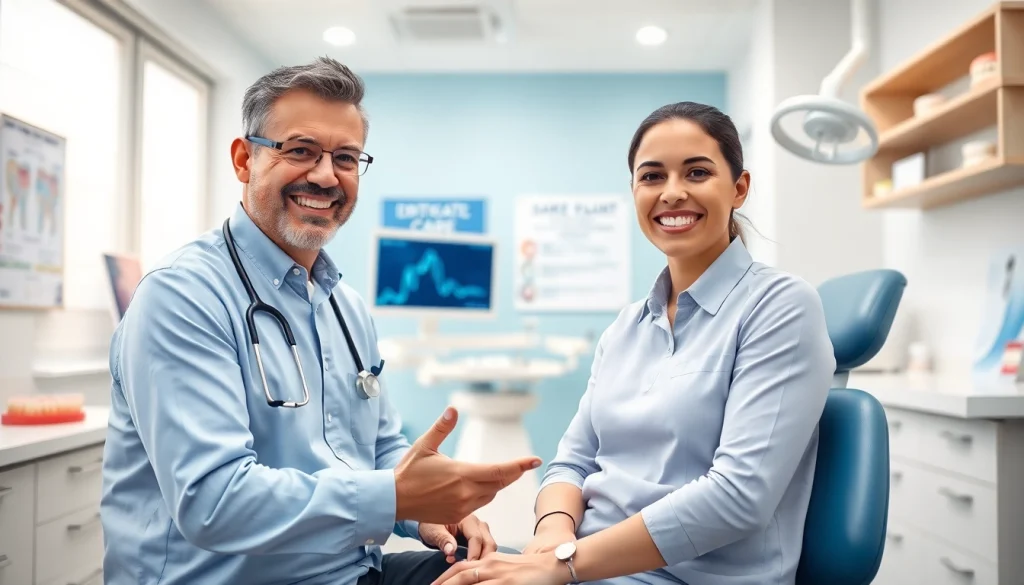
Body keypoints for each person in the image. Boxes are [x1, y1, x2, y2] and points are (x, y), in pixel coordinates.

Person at [100, 57, 540, 585]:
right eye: (301, 151)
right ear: (244, 159)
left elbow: (378, 448)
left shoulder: (343, 305)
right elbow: (213, 502)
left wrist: (432, 512)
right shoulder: (183, 296)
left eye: (346, 158)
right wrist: (397, 494)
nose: (326, 176)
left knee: (523, 574)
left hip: (351, 570)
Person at [430, 102, 836, 585]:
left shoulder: (779, 306)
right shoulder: (626, 327)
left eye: (697, 172)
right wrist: (551, 533)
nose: (672, 193)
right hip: (582, 564)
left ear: (739, 188)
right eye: (651, 177)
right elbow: (572, 461)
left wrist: (561, 565)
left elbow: (739, 498)